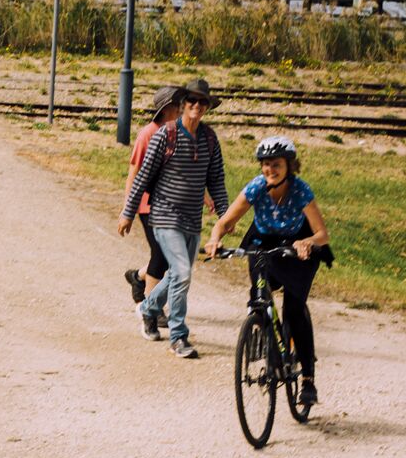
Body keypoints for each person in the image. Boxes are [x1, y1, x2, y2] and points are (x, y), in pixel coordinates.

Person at [205, 135, 332, 408]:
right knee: (260, 298)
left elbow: (322, 234)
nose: (269, 170)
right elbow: (225, 222)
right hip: (263, 243)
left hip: (298, 248)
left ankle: (308, 379)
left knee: (294, 308)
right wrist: (215, 238)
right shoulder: (256, 187)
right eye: (265, 164)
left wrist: (307, 242)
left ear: (289, 166)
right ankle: (265, 340)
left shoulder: (300, 191)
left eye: (276, 164)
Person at [116, 78, 229, 359]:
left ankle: (146, 308)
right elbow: (142, 175)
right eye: (191, 100)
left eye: (202, 102)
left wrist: (225, 216)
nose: (197, 106)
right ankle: (178, 336)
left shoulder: (210, 139)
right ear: (182, 105)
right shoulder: (164, 135)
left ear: (207, 107)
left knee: (179, 274)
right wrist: (128, 212)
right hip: (164, 216)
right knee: (182, 272)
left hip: (192, 219)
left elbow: (216, 180)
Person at [120, 85, 184, 306]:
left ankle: (138, 277)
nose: (183, 110)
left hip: (170, 205)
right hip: (148, 205)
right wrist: (128, 210)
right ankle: (152, 307)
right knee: (160, 254)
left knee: (168, 257)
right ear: (167, 109)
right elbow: (134, 172)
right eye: (179, 106)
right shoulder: (148, 134)